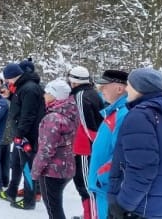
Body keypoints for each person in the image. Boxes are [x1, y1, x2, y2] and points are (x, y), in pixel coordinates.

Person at [108, 68, 162, 219]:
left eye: (129, 85)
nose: (126, 89)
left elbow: (143, 168)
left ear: (140, 88)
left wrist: (123, 204)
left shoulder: (140, 116)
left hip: (141, 208)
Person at [0, 63, 45, 210]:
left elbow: (28, 115)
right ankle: (12, 191)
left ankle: (29, 200)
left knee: (27, 167)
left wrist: (20, 134)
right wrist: (11, 96)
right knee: (17, 163)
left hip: (28, 135)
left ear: (12, 76)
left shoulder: (29, 88)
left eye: (7, 80)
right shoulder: (23, 87)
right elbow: (21, 107)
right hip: (22, 133)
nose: (7, 83)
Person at [32, 79, 78, 219]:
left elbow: (46, 149)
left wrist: (35, 170)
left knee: (54, 209)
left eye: (47, 93)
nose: (44, 95)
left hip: (52, 171)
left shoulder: (53, 118)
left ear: (55, 96)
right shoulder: (72, 112)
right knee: (56, 205)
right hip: (68, 167)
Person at [88, 70, 129, 219]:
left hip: (107, 187)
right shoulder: (114, 111)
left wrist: (102, 177)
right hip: (103, 187)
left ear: (119, 88)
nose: (101, 89)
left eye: (105, 86)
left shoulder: (123, 114)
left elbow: (122, 154)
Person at [67, 65, 104, 219]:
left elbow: (88, 125)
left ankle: (91, 215)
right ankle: (90, 213)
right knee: (86, 184)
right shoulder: (92, 93)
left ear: (73, 82)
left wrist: (95, 144)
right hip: (89, 146)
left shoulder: (81, 95)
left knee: (85, 185)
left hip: (85, 148)